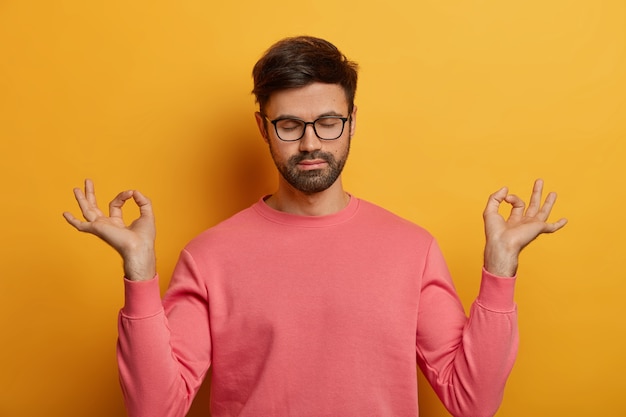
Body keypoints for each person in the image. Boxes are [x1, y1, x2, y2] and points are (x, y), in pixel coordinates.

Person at [63, 36, 567, 417]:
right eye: (289, 125)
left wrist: (500, 270)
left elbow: (472, 400)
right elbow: (155, 407)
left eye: (328, 122)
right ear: (263, 127)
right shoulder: (210, 255)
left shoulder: (411, 248)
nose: (310, 144)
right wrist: (141, 272)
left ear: (351, 120)